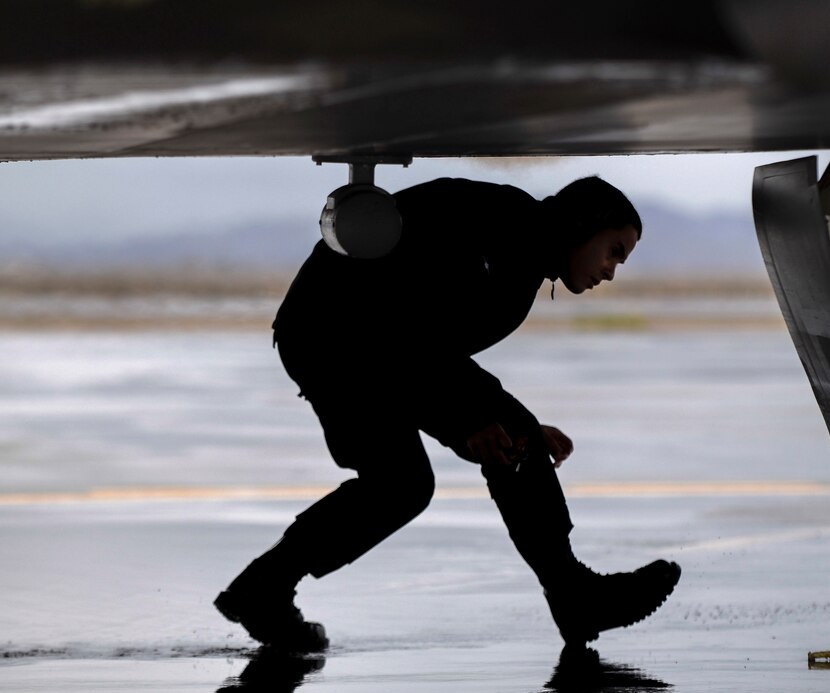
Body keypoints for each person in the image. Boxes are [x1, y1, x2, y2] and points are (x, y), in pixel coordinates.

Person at [215, 176, 681, 652]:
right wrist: (468, 423)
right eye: (614, 251)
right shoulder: (506, 236)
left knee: (516, 438)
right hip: (336, 337)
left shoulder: (522, 254)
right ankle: (263, 590)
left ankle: (573, 596)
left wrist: (500, 421)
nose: (611, 271)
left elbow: (430, 347)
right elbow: (402, 325)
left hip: (380, 344)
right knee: (400, 482)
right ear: (583, 225)